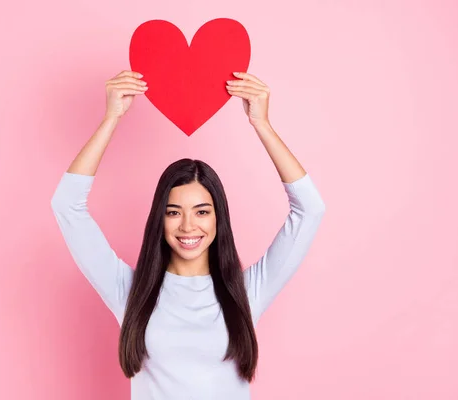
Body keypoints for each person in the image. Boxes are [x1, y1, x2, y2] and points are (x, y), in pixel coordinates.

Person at [51, 70, 326, 400]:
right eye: (173, 212)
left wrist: (262, 125)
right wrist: (111, 118)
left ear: (217, 218)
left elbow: (309, 210)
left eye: (201, 211)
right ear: (160, 219)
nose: (187, 226)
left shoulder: (248, 292)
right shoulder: (128, 292)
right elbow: (67, 205)